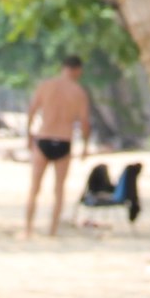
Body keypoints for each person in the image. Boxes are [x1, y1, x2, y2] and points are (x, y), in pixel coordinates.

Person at [22, 53, 94, 238]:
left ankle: (28, 229)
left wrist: (28, 136)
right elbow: (85, 122)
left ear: (63, 68)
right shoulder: (78, 92)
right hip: (64, 140)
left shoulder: (46, 86)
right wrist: (85, 145)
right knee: (59, 189)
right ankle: (52, 231)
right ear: (78, 70)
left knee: (34, 187)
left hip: (44, 137)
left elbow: (31, 111)